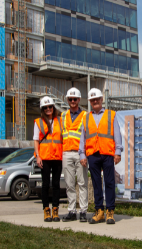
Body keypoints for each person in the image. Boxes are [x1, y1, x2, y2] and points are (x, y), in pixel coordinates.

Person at [79, 88, 123, 225]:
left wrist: (118, 152)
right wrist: (82, 154)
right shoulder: (86, 117)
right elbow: (83, 137)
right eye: (92, 100)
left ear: (101, 99)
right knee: (96, 184)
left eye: (97, 99)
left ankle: (110, 211)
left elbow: (117, 135)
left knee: (109, 182)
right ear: (90, 102)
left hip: (108, 154)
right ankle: (99, 211)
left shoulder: (111, 115)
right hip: (93, 155)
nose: (95, 101)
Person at [61, 87, 89, 222]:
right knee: (69, 184)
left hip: (80, 154)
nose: (72, 101)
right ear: (67, 100)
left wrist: (85, 154)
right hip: (66, 153)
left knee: (83, 183)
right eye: (70, 99)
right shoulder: (62, 116)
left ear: (79, 100)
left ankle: (83, 211)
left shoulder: (85, 115)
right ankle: (72, 211)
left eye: (75, 99)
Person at [34, 96, 63, 223]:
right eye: (45, 108)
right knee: (45, 184)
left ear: (53, 108)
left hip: (57, 156)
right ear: (42, 109)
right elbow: (36, 140)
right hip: (44, 157)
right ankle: (46, 210)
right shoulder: (38, 122)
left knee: (56, 184)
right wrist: (38, 156)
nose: (48, 109)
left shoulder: (60, 121)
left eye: (50, 107)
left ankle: (55, 209)